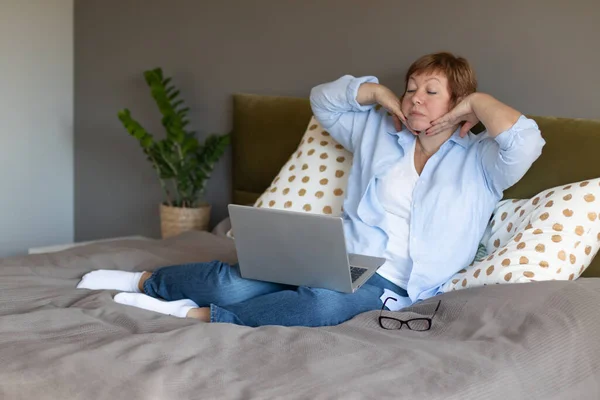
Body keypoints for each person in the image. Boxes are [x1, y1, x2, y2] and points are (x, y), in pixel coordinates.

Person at [77, 52, 545, 327]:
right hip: (342, 255)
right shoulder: (380, 132)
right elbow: (324, 100)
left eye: (431, 91)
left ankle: (196, 316)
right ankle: (144, 282)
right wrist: (380, 94)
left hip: (397, 282)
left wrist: (477, 103)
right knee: (233, 280)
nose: (415, 98)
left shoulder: (482, 162)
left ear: (458, 101)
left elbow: (526, 143)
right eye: (411, 88)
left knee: (321, 305)